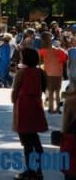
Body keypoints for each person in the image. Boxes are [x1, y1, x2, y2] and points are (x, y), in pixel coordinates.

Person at [13, 47, 48, 179]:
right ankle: (38, 169)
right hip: (36, 106)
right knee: (34, 137)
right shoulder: (40, 72)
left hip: (23, 107)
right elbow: (45, 88)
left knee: (27, 141)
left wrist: (14, 100)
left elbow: (15, 89)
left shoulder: (22, 72)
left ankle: (30, 170)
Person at [39, 32, 67, 114]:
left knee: (50, 92)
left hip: (48, 74)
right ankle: (57, 108)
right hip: (58, 74)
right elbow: (64, 60)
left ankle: (51, 108)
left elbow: (40, 63)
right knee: (57, 92)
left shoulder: (42, 51)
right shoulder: (60, 51)